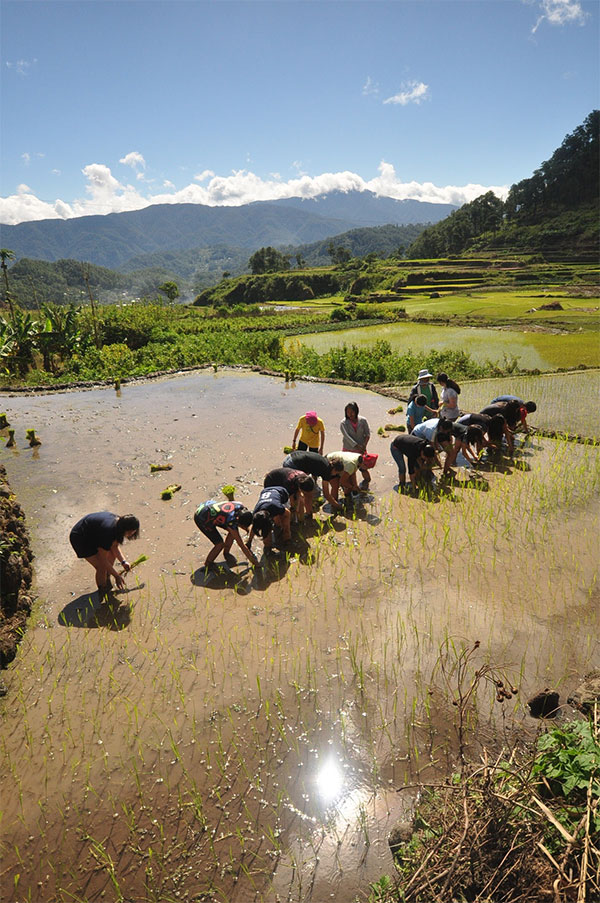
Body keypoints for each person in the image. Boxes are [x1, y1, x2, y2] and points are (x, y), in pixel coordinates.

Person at [69, 512, 140, 597]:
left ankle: (107, 576)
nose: (131, 535)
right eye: (130, 533)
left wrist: (123, 562)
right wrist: (117, 576)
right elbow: (102, 560)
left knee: (110, 557)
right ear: (124, 529)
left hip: (94, 533)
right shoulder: (108, 532)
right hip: (80, 537)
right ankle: (102, 591)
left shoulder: (118, 524)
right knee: (101, 567)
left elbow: (114, 546)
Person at [194, 500, 259, 569]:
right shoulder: (231, 520)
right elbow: (241, 545)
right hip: (202, 517)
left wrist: (245, 528)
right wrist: (255, 563)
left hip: (211, 509)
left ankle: (226, 553)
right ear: (238, 520)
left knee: (232, 532)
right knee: (219, 544)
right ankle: (208, 563)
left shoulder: (241, 507)